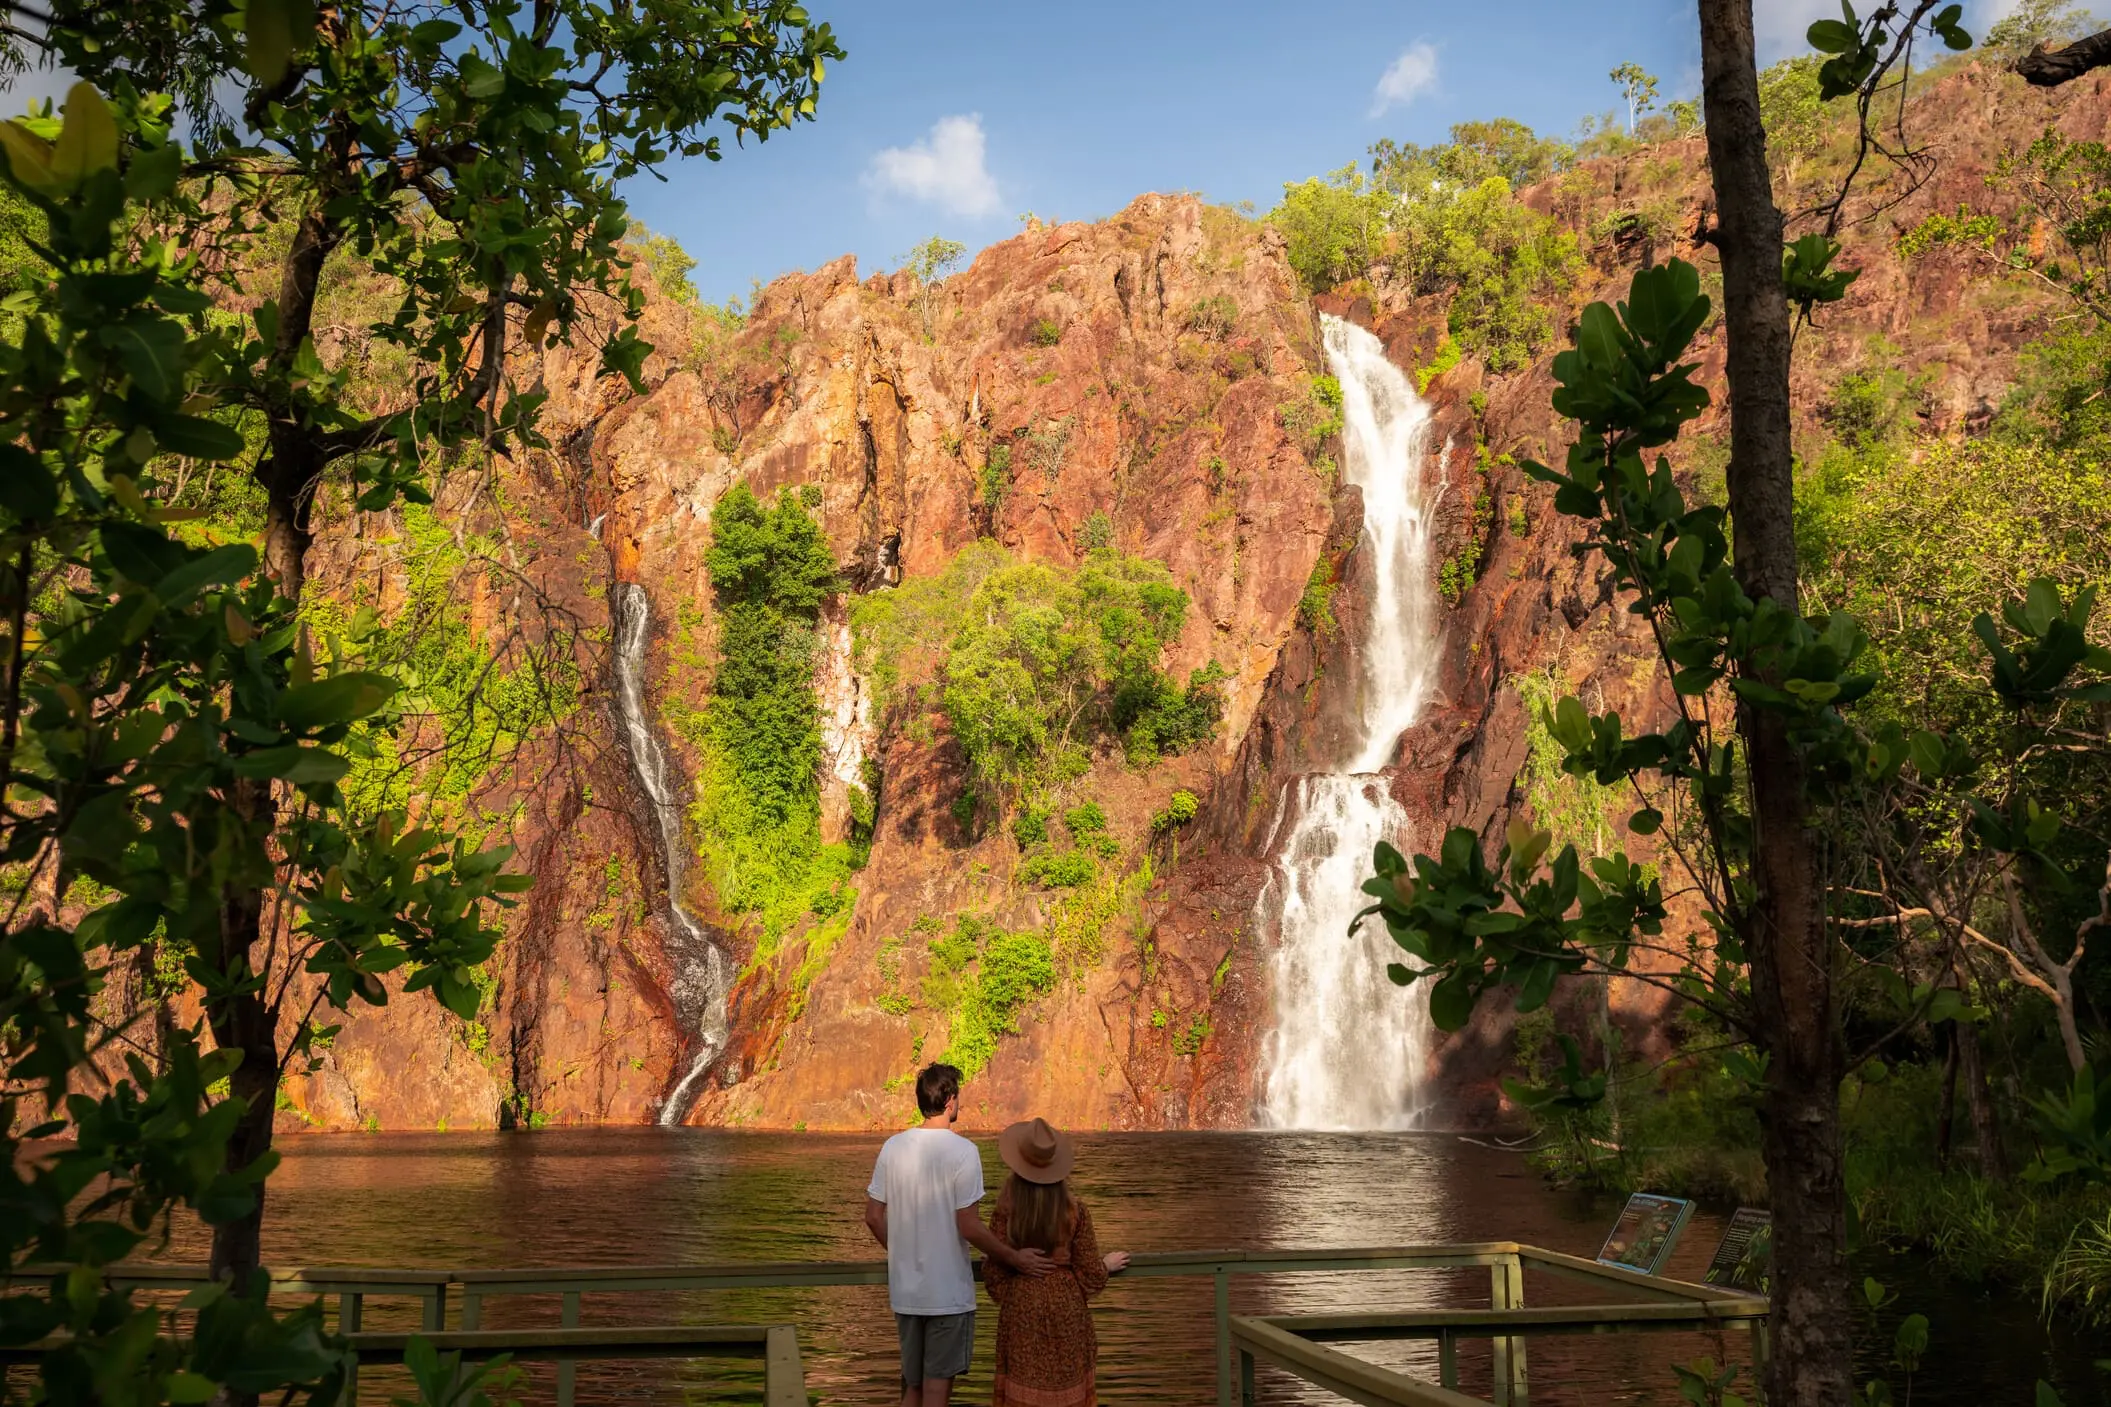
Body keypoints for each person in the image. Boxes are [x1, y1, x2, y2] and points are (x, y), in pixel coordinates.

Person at [864, 1063, 1053, 1407]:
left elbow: (873, 1217)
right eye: (959, 1097)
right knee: (936, 1393)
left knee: (914, 1389)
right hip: (947, 1294)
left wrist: (904, 1253)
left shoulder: (893, 1147)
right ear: (950, 1101)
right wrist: (1013, 1257)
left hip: (906, 1292)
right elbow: (968, 1225)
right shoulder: (964, 1152)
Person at [983, 1117, 1131, 1407]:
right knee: (1069, 1389)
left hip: (1022, 1305)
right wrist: (1106, 1265)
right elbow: (1090, 1274)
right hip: (1067, 1307)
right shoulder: (1076, 1212)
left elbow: (993, 1274)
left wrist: (1016, 1288)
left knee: (1021, 1386)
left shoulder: (1006, 1211)